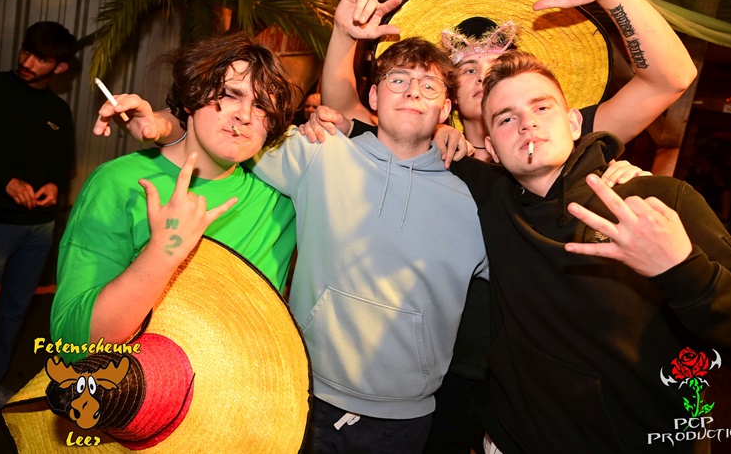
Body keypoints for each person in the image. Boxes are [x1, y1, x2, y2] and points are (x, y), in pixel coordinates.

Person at [316, 0, 697, 453]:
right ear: (450, 92)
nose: (484, 76)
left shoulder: (552, 142)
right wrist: (345, 37)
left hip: (542, 386)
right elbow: (344, 106)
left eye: (497, 65)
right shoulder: (425, 147)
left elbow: (670, 80)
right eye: (468, 68)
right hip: (442, 377)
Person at [96, 36, 489, 453]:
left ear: (445, 109)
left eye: (429, 85)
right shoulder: (319, 150)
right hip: (304, 394)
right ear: (373, 96)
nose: (412, 92)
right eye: (398, 80)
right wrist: (164, 125)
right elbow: (231, 133)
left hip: (405, 420)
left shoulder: (472, 203)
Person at [450, 46, 731, 452]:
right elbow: (399, 132)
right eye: (507, 118)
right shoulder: (493, 201)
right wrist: (440, 132)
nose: (528, 124)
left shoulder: (656, 200)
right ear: (491, 147)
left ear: (573, 123)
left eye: (541, 107)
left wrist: (682, 269)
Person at [50, 32, 298, 362]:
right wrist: (161, 254)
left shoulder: (284, 195)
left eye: (262, 105)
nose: (245, 115)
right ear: (190, 98)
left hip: (241, 390)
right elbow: (74, 343)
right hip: (134, 386)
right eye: (229, 95)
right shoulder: (120, 183)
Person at [0, 22, 77, 388]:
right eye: (26, 51)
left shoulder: (59, 110)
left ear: (60, 67)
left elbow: (62, 164)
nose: (26, 62)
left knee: (14, 311)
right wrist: (5, 181)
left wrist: (54, 186)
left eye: (40, 58)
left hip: (39, 230)